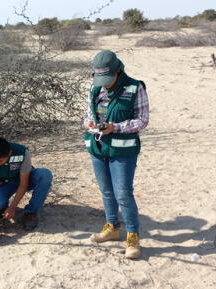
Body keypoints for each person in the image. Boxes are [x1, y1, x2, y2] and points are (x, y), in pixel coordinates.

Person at [83, 50, 149, 259]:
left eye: (108, 78)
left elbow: (142, 120)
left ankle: (132, 237)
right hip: (98, 148)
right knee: (106, 191)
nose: (104, 83)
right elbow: (86, 114)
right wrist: (90, 123)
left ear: (118, 70)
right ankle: (112, 227)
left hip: (123, 151)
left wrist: (116, 127)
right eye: (100, 79)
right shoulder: (95, 88)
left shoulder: (135, 87)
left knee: (123, 193)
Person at [0, 137, 53, 231]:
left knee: (45, 175)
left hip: (25, 178)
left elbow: (24, 184)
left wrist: (12, 207)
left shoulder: (23, 152)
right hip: (3, 183)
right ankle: (3, 209)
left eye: (0, 161)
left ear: (9, 153)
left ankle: (31, 212)